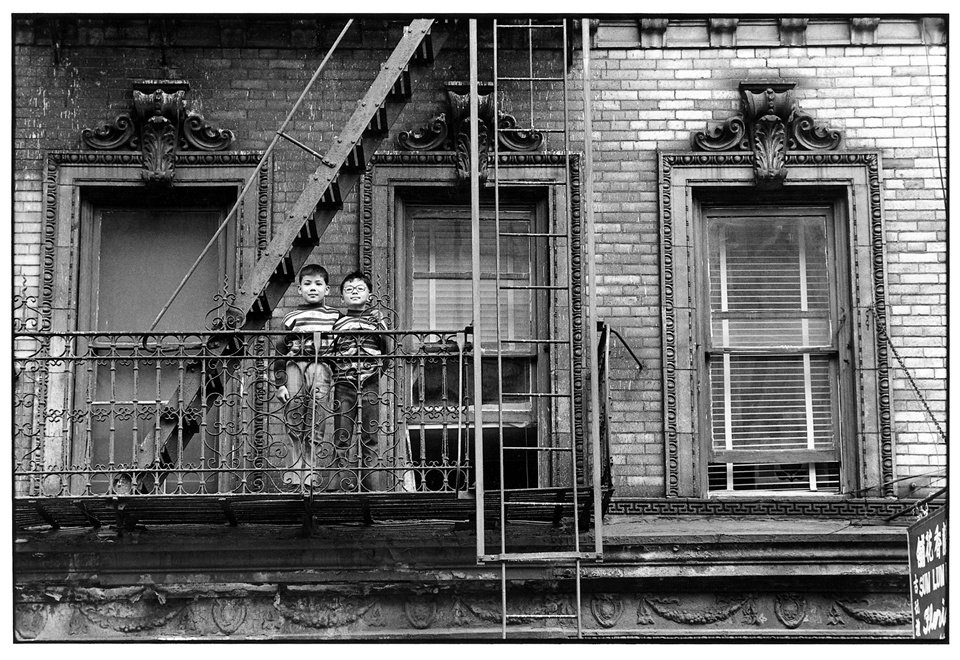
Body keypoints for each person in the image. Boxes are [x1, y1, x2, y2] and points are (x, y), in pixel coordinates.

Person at [274, 263, 341, 490]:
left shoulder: (335, 316)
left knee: (316, 418)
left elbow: (343, 346)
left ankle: (310, 474)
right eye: (307, 284)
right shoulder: (291, 317)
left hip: (321, 368)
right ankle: (294, 474)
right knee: (294, 417)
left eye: (318, 284)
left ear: (327, 290)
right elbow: (280, 352)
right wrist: (280, 384)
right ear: (299, 289)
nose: (313, 288)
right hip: (295, 367)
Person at [330, 271, 388, 492]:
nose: (355, 292)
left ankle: (370, 486)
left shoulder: (375, 322)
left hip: (370, 382)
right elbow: (330, 352)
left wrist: (381, 322)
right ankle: (339, 484)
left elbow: (387, 349)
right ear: (343, 297)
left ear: (370, 295)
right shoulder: (338, 322)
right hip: (344, 385)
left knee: (370, 435)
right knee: (342, 435)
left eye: (360, 289)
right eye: (349, 290)